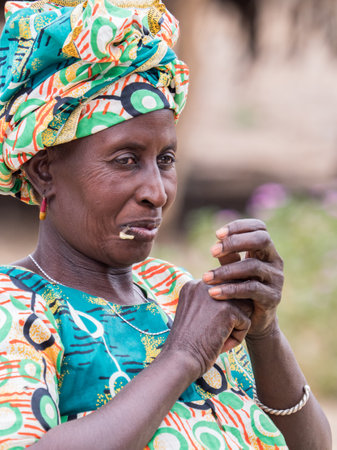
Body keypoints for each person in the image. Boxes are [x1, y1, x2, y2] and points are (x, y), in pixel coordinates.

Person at [0, 1, 332, 449]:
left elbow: (311, 445)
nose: (157, 191)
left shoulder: (175, 291)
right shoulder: (18, 308)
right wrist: (183, 355)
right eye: (126, 160)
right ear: (44, 172)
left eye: (166, 160)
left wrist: (264, 330)